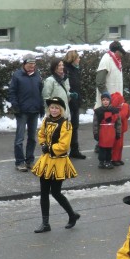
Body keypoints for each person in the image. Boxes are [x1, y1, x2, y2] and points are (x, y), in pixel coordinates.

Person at [32, 97, 80, 233]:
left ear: (61, 110)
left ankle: (72, 215)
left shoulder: (65, 124)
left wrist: (51, 148)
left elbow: (64, 145)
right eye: (52, 107)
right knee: (44, 192)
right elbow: (41, 134)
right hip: (46, 161)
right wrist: (43, 144)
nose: (53, 110)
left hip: (59, 162)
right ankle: (45, 223)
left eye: (56, 108)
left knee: (56, 192)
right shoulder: (46, 120)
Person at [7, 54, 44, 172]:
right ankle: (19, 162)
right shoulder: (17, 75)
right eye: (30, 64)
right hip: (22, 111)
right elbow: (12, 92)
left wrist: (41, 106)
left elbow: (40, 92)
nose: (32, 66)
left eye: (34, 64)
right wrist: (15, 106)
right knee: (20, 138)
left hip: (34, 110)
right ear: (24, 64)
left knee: (32, 138)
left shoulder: (37, 76)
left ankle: (29, 161)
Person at [63, 49, 86, 159]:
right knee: (66, 127)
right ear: (73, 59)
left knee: (75, 126)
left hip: (75, 102)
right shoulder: (66, 70)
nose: (79, 59)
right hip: (69, 102)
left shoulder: (75, 70)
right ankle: (62, 149)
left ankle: (74, 150)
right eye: (77, 58)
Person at [93, 92, 121, 169]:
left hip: (111, 132)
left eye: (107, 100)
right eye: (103, 100)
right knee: (102, 148)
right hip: (102, 132)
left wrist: (118, 132)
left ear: (110, 101)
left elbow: (118, 123)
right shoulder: (98, 111)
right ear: (101, 101)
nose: (105, 101)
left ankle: (108, 161)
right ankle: (101, 162)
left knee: (109, 148)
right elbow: (95, 123)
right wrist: (95, 133)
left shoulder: (115, 110)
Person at [96, 41, 125, 108]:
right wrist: (107, 97)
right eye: (121, 52)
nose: (122, 55)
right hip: (107, 103)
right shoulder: (106, 60)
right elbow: (100, 82)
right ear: (116, 51)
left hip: (116, 101)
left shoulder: (117, 61)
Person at [110, 91, 130, 167]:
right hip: (120, 128)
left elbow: (122, 116)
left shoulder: (115, 107)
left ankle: (116, 159)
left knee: (117, 145)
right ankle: (116, 159)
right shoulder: (125, 106)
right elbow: (127, 115)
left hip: (115, 128)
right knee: (118, 145)